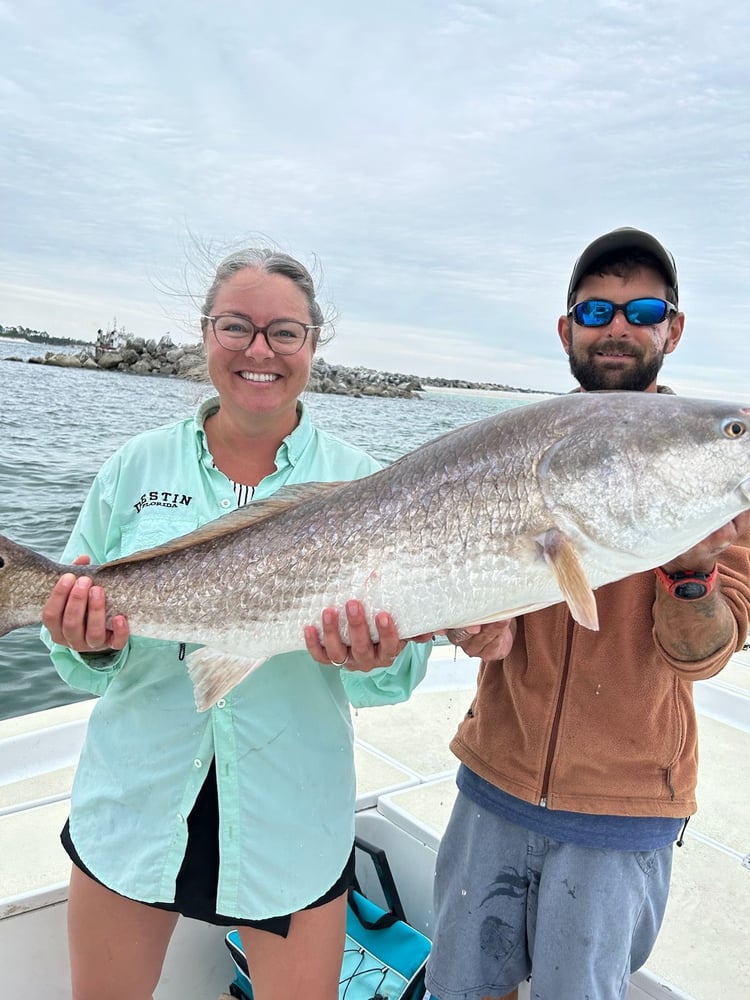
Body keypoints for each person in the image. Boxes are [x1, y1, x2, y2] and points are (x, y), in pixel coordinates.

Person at [40, 247, 432, 1000]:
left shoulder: (369, 484)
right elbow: (77, 660)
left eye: (284, 332)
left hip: (292, 820)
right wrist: (84, 644)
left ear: (313, 346)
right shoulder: (134, 467)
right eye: (236, 327)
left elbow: (398, 679)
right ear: (204, 333)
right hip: (135, 802)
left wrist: (374, 658)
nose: (259, 351)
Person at [423, 227, 750, 1000]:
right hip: (492, 780)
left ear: (673, 329)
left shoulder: (717, 485)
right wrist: (471, 626)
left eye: (644, 309)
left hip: (623, 805)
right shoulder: (507, 450)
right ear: (567, 329)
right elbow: (473, 613)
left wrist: (692, 573)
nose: (619, 326)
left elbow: (707, 654)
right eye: (597, 310)